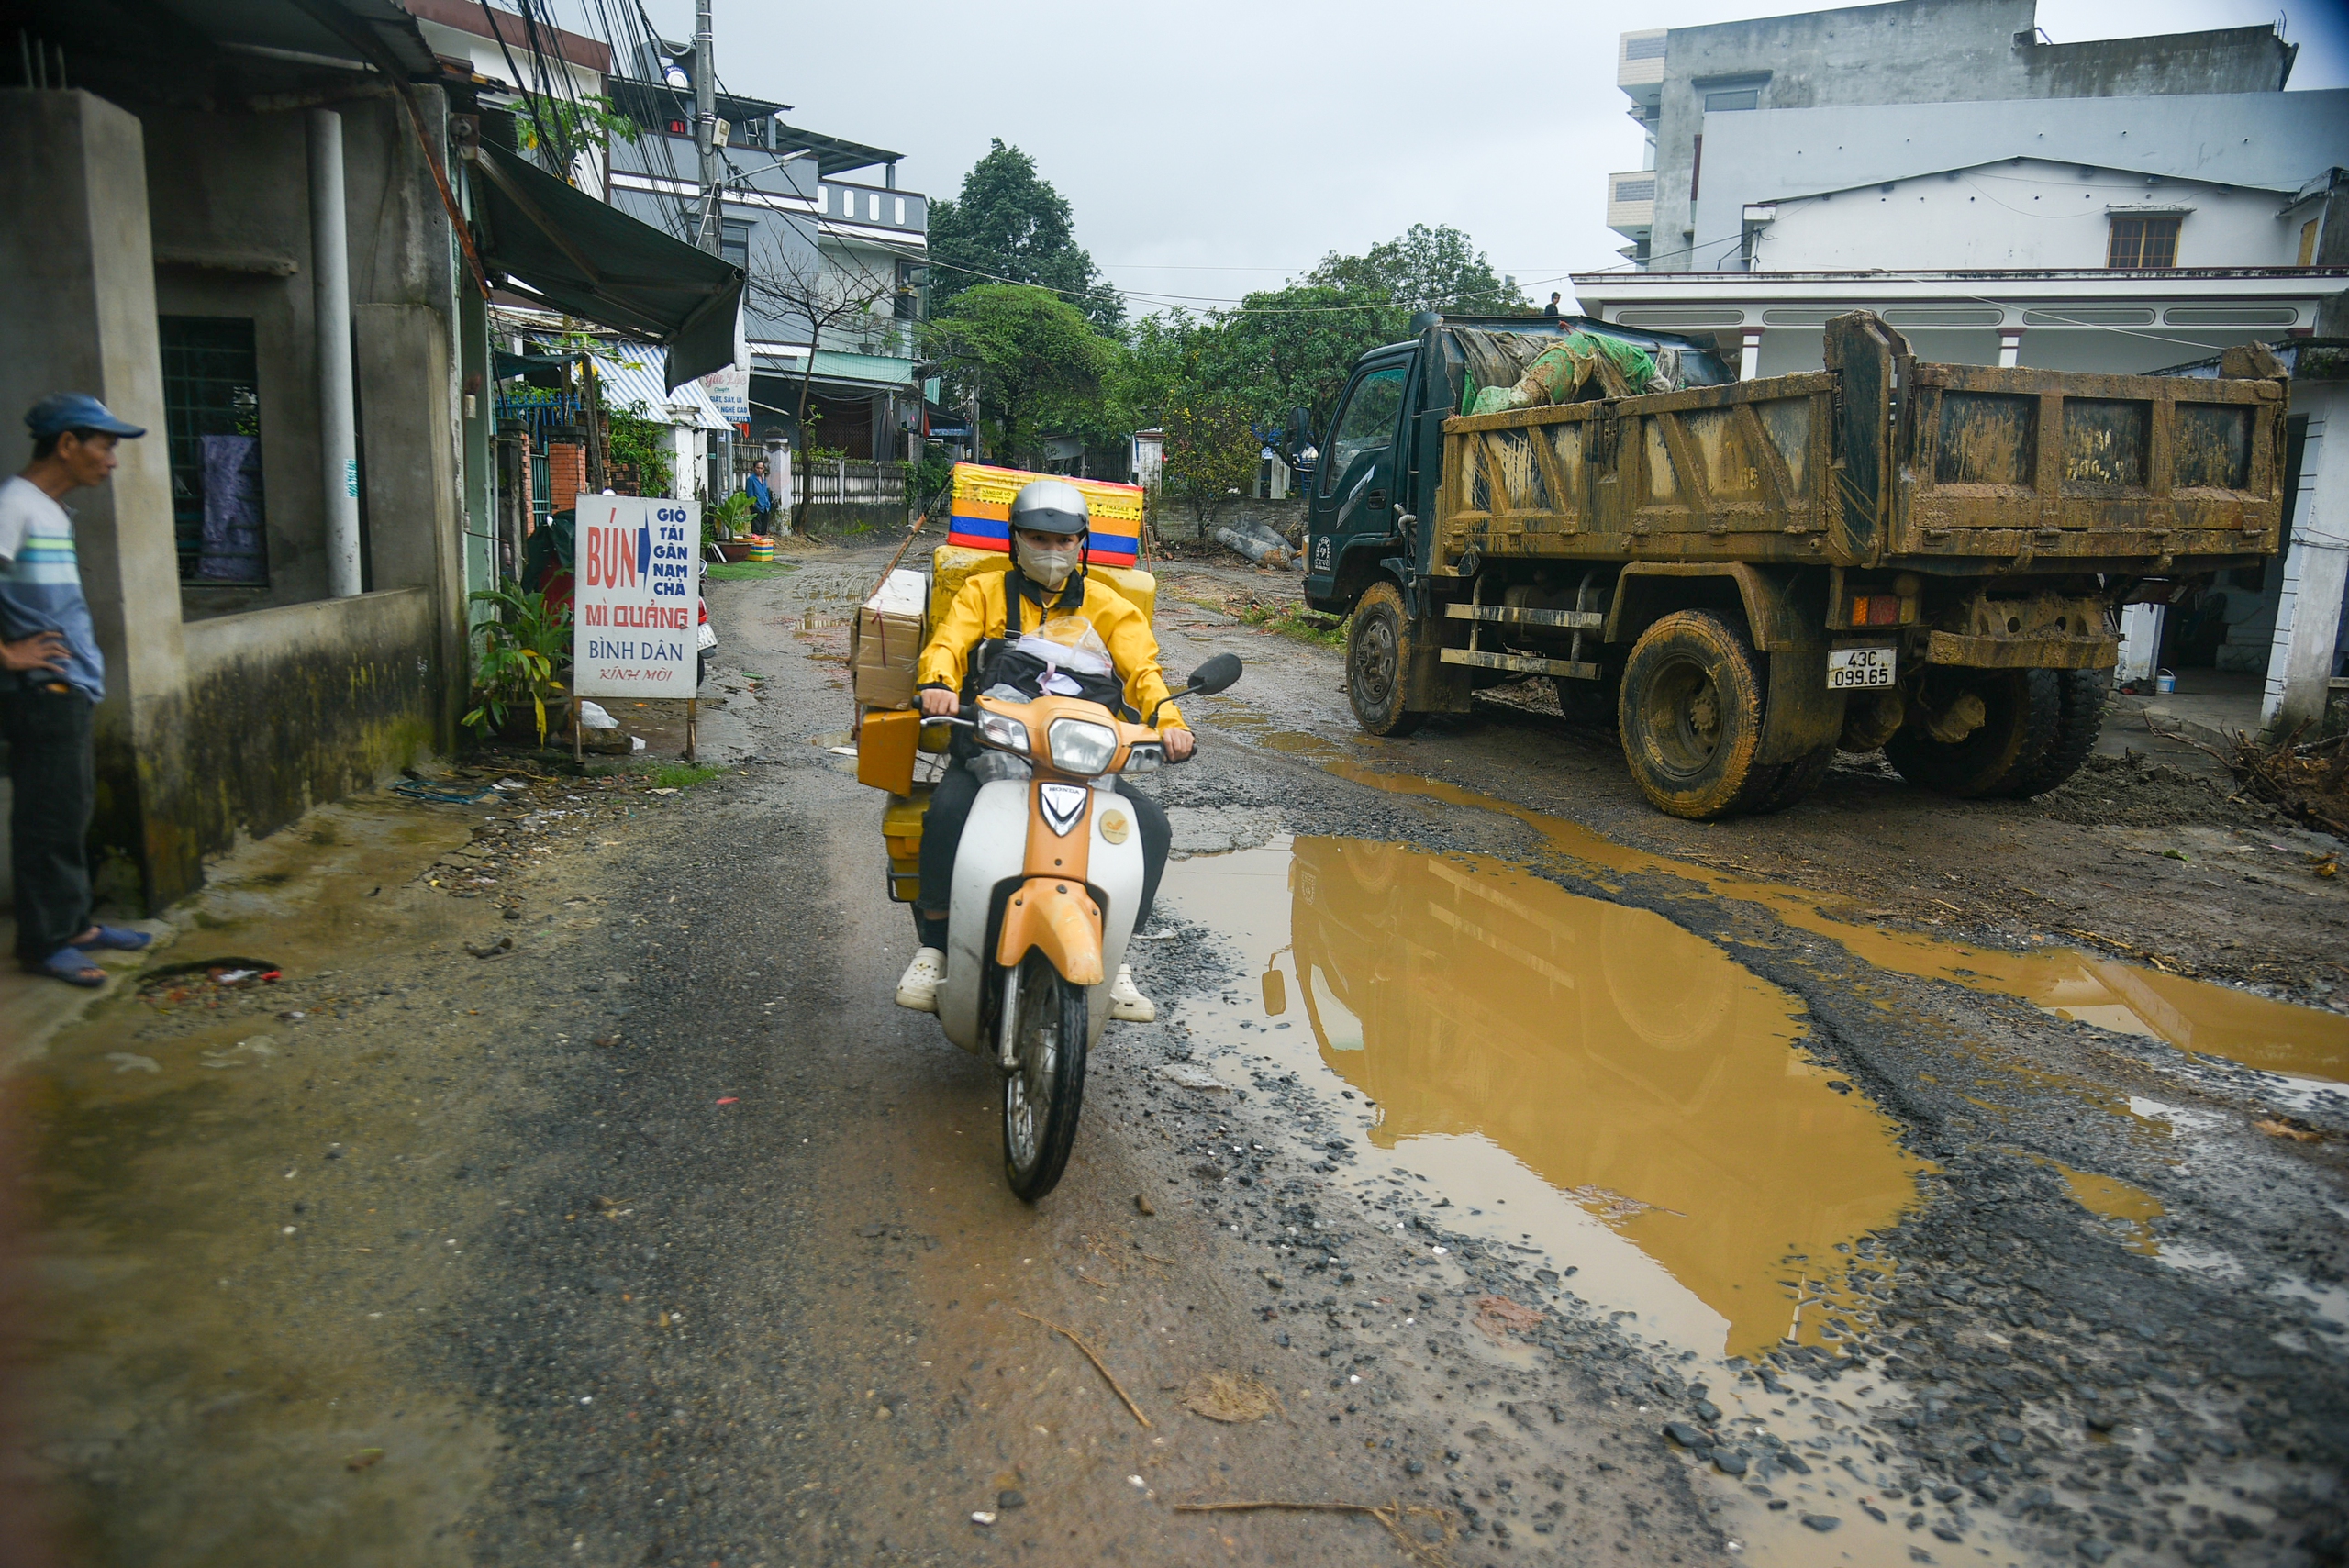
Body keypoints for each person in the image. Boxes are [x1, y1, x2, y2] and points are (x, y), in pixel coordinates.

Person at [894, 478, 1192, 1022]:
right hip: (994, 753)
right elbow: (946, 644)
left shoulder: (1109, 605)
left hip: (1078, 759)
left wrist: (1171, 722)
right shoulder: (982, 592)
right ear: (1015, 540)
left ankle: (1119, 957)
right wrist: (938, 680)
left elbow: (1144, 672)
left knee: (1151, 825)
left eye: (1064, 542)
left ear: (1082, 543)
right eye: (1039, 539)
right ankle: (934, 947)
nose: (1053, 553)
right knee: (947, 813)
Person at [1, 395, 155, 986]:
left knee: (69, 815)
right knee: (47, 820)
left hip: (70, 690)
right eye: (105, 445)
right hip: (42, 692)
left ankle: (75, 925)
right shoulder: (13, 505)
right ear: (67, 444)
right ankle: (43, 944)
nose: (112, 461)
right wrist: (8, 653)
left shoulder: (47, 510)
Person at [744, 457, 776, 534]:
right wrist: (753, 504)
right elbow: (750, 493)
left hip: (765, 506)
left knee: (764, 528)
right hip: (757, 506)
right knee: (756, 528)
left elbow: (765, 492)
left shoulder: (763, 480)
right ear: (754, 468)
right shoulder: (751, 479)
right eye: (758, 468)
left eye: (761, 468)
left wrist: (768, 502)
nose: (759, 470)